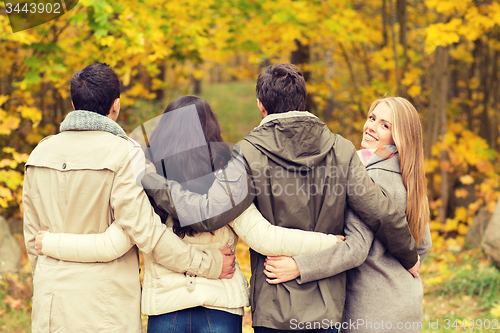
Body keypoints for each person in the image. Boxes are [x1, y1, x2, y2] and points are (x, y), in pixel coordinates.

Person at [136, 64, 422, 332]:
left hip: (274, 305)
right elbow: (380, 210)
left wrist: (152, 179)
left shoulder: (248, 153)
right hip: (326, 306)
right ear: (303, 102)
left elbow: (209, 213)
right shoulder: (341, 149)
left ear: (261, 106)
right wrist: (408, 255)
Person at [35, 95, 345, 332]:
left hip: (166, 306)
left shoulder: (145, 173)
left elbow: (127, 237)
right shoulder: (228, 173)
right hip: (220, 305)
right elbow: (262, 236)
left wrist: (51, 243)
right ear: (212, 130)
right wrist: (330, 243)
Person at [22, 63, 236, 333]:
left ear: (73, 104)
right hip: (106, 307)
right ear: (116, 105)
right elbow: (147, 234)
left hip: (50, 305)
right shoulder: (126, 154)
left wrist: (43, 284)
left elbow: (33, 241)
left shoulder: (39, 155)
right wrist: (210, 264)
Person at [264, 97, 432, 332]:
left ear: (400, 136)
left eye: (385, 125)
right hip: (407, 305)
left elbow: (356, 250)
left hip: (371, 311)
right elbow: (424, 245)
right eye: (372, 118)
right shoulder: (409, 178)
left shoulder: (370, 177)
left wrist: (300, 266)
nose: (371, 126)